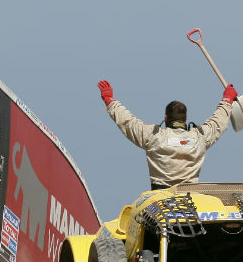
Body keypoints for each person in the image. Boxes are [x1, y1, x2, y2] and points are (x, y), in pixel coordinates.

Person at [97, 80, 235, 190]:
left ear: (166, 118)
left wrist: (110, 100)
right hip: (191, 200)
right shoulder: (200, 137)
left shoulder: (153, 136)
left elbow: (128, 122)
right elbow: (218, 122)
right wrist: (227, 99)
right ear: (185, 118)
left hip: (160, 201)